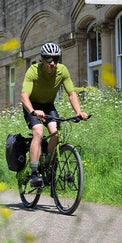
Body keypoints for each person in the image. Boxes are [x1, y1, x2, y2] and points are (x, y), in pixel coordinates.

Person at [20, 42, 88, 187]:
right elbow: (24, 96)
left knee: (55, 134)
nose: (53, 63)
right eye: (49, 59)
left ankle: (47, 165)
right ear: (42, 59)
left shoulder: (62, 71)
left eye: (56, 59)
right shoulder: (33, 71)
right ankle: (33, 173)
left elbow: (72, 93)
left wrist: (78, 112)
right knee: (38, 132)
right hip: (32, 106)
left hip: (48, 106)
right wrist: (33, 111)